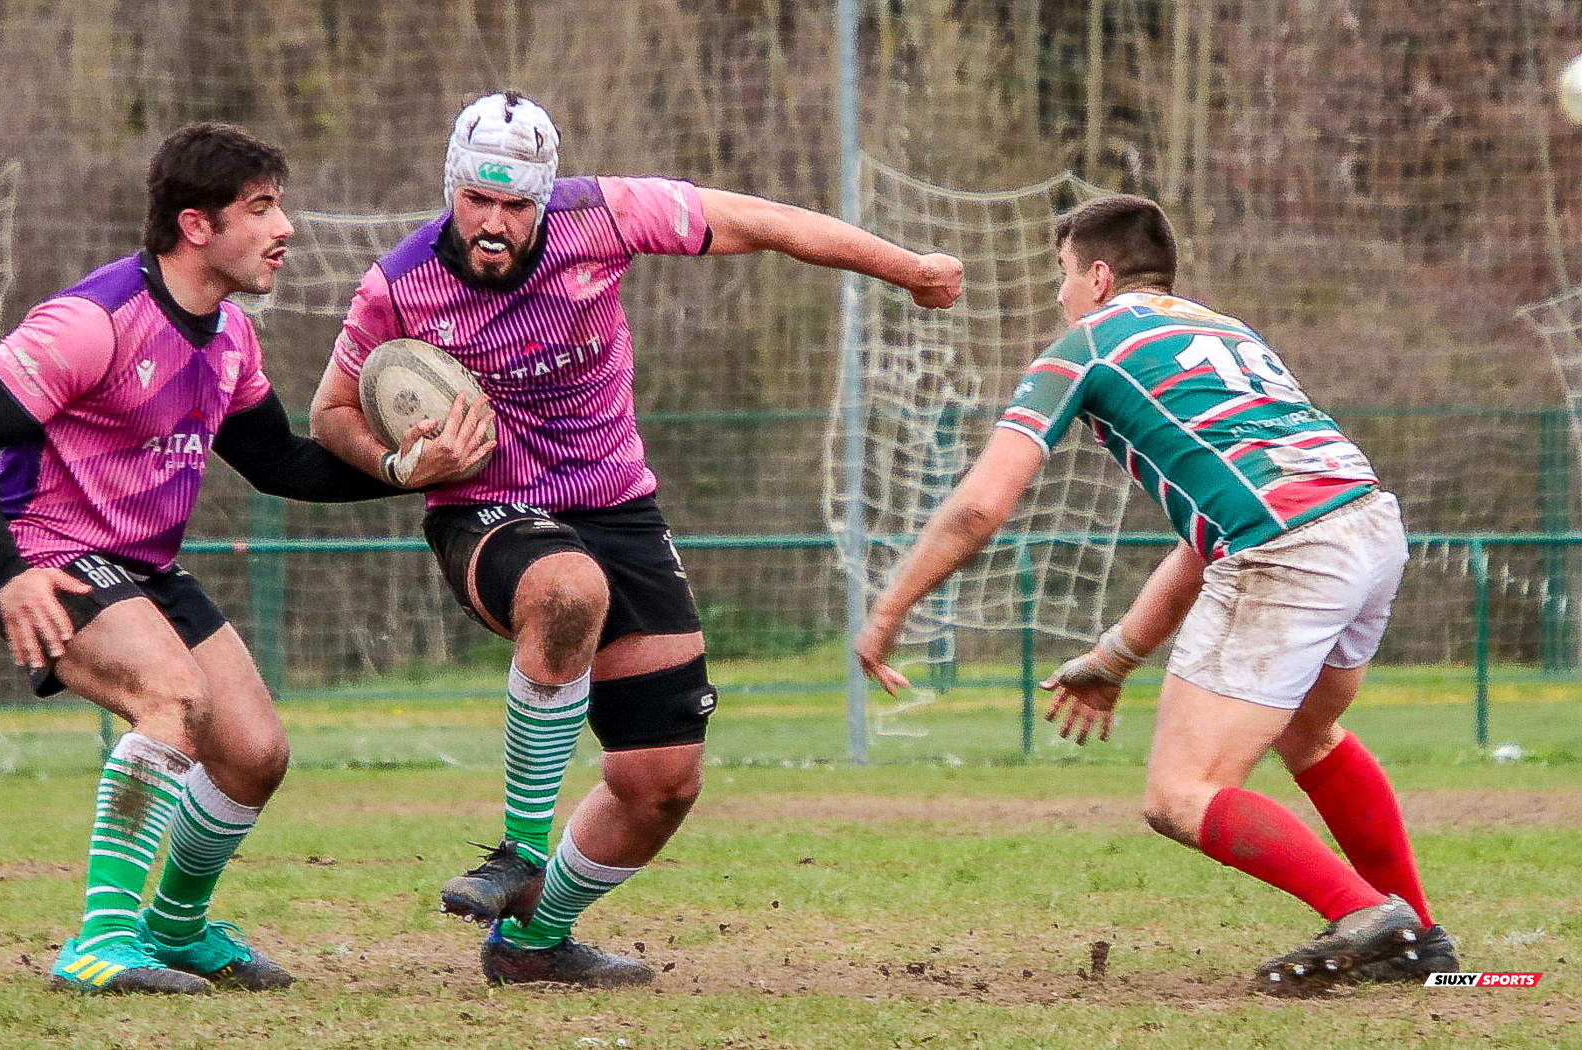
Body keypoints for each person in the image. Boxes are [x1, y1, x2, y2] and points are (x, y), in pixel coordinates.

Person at [309, 91, 963, 987]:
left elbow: (760, 220)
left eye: (515, 205)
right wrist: (399, 468)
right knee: (567, 591)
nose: (493, 223)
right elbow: (332, 411)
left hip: (618, 507)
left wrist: (909, 268)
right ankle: (516, 852)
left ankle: (535, 943)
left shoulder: (604, 215)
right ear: (452, 187)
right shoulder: (398, 283)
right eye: (476, 200)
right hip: (485, 511)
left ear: (545, 196)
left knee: (662, 780)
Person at [0, 123, 494, 995]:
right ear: (197, 225)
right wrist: (7, 573)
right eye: (262, 209)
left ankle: (176, 929)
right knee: (172, 699)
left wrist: (407, 470)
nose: (287, 228)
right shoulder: (92, 322)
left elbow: (281, 465)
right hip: (53, 556)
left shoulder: (229, 337)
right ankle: (99, 944)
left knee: (255, 754)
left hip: (144, 567)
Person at [854, 194, 1456, 989]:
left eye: (1063, 276)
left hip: (1287, 547)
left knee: (1182, 794)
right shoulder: (1226, 331)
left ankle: (1368, 919)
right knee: (1308, 733)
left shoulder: (1089, 345)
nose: (1060, 296)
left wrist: (890, 609)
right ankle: (1419, 935)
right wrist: (1115, 657)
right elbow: (1201, 536)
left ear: (1098, 276)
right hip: (1369, 524)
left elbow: (979, 505)